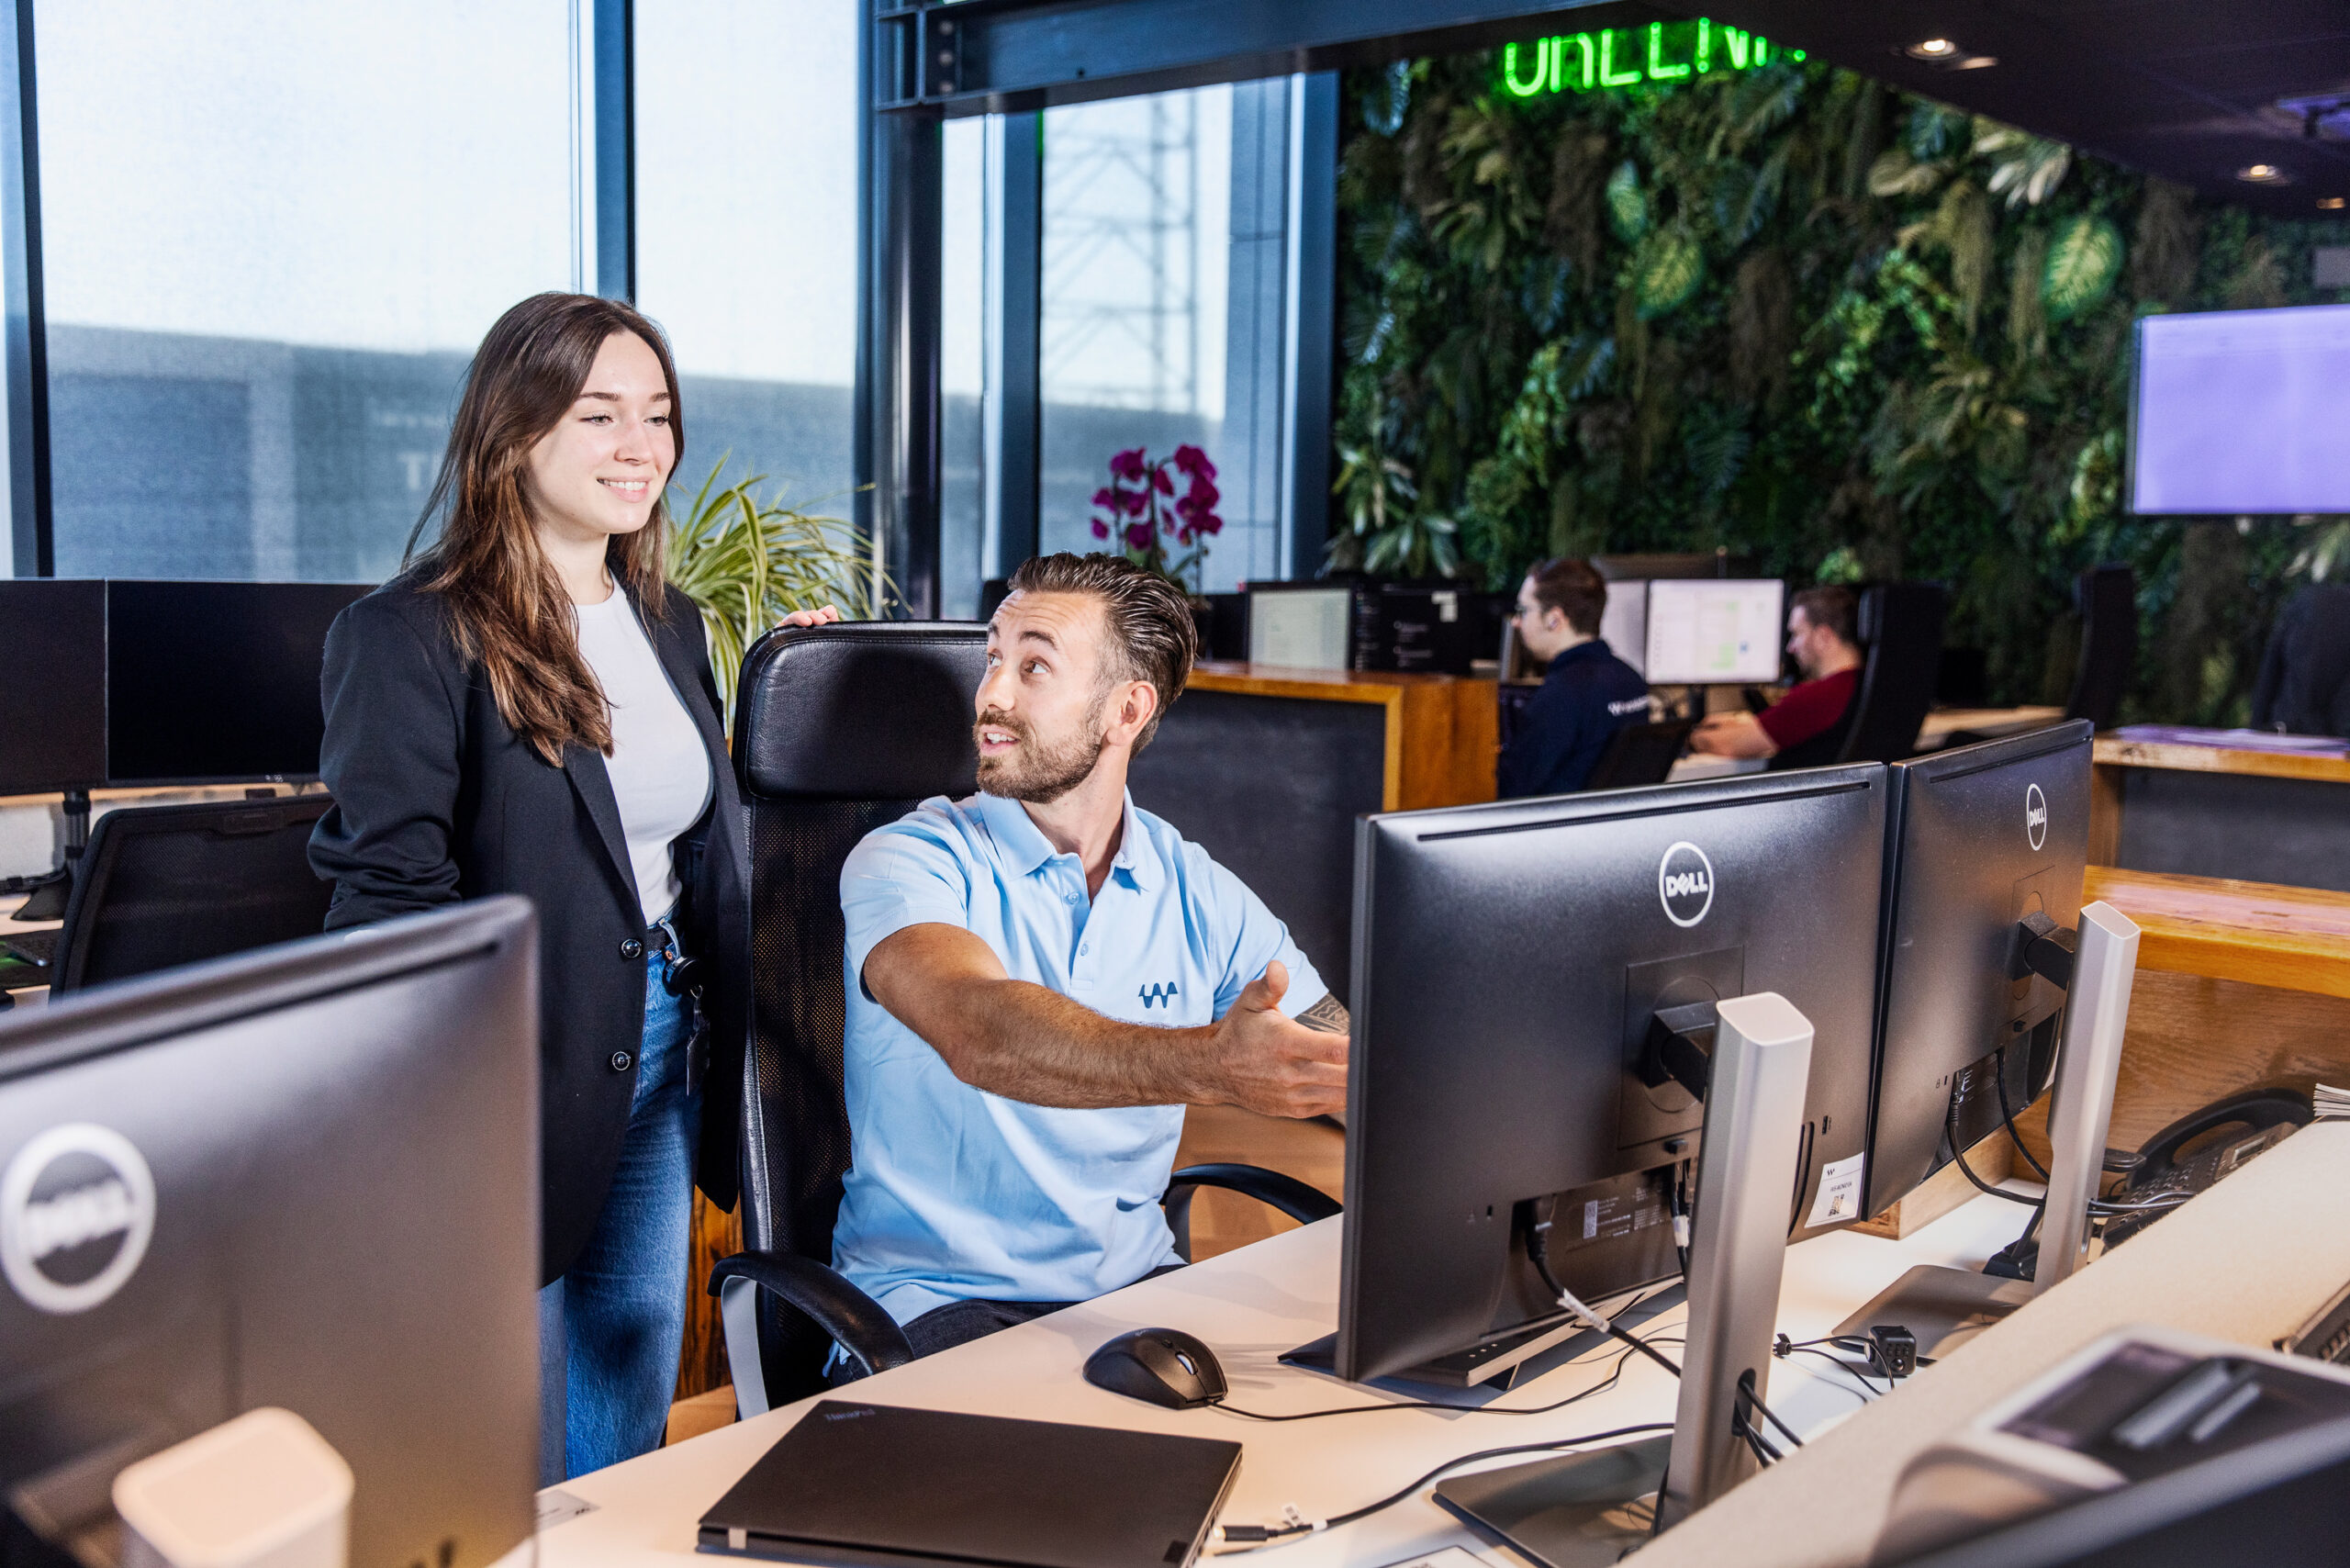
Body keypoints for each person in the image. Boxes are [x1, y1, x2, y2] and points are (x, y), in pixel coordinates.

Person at [308, 293, 838, 1480]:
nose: (640, 446)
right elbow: (384, 898)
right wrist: (447, 1104)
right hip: (512, 1066)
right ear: (514, 432)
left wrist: (798, 696)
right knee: (514, 1415)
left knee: (628, 1381)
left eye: (658, 415)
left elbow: (691, 834)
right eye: (599, 415)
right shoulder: (410, 637)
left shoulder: (670, 622)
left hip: (668, 1043)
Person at [831, 552, 1348, 1368]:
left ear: (1125, 709)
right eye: (994, 658)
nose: (992, 694)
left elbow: (1335, 1049)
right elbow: (979, 1032)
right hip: (938, 1302)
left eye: (1033, 666)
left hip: (1136, 1291)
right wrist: (1212, 1067)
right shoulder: (909, 860)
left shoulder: (1196, 888)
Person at [1496, 556, 1651, 798]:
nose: (1516, 622)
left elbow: (1511, 789)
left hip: (1559, 820)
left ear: (1554, 619)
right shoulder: (1631, 680)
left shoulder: (1561, 695)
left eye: (1523, 611)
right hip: (1612, 818)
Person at [1689, 584, 1863, 769]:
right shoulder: (1861, 686)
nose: (1791, 648)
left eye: (1796, 634)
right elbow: (1773, 725)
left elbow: (1728, 745)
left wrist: (1688, 737)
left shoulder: (1820, 696)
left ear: (1823, 637)